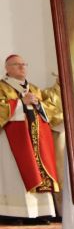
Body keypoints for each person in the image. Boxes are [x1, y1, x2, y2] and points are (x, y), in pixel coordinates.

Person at [1, 54, 61, 220]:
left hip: (36, 138)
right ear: (7, 69)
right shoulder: (2, 87)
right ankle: (14, 213)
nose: (22, 67)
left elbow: (49, 111)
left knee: (39, 172)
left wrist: (38, 104)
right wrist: (21, 103)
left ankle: (41, 212)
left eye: (24, 64)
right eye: (16, 64)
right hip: (13, 140)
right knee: (16, 175)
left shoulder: (33, 88)